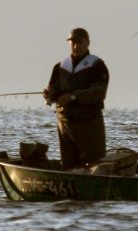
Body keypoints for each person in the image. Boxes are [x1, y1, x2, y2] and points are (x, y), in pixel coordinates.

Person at [43, 27, 110, 169]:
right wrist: (49, 95)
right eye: (72, 42)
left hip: (89, 122)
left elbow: (99, 92)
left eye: (79, 42)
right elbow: (53, 90)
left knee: (95, 165)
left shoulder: (97, 65)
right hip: (65, 123)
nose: (75, 45)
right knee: (69, 166)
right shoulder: (60, 66)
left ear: (88, 43)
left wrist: (73, 96)